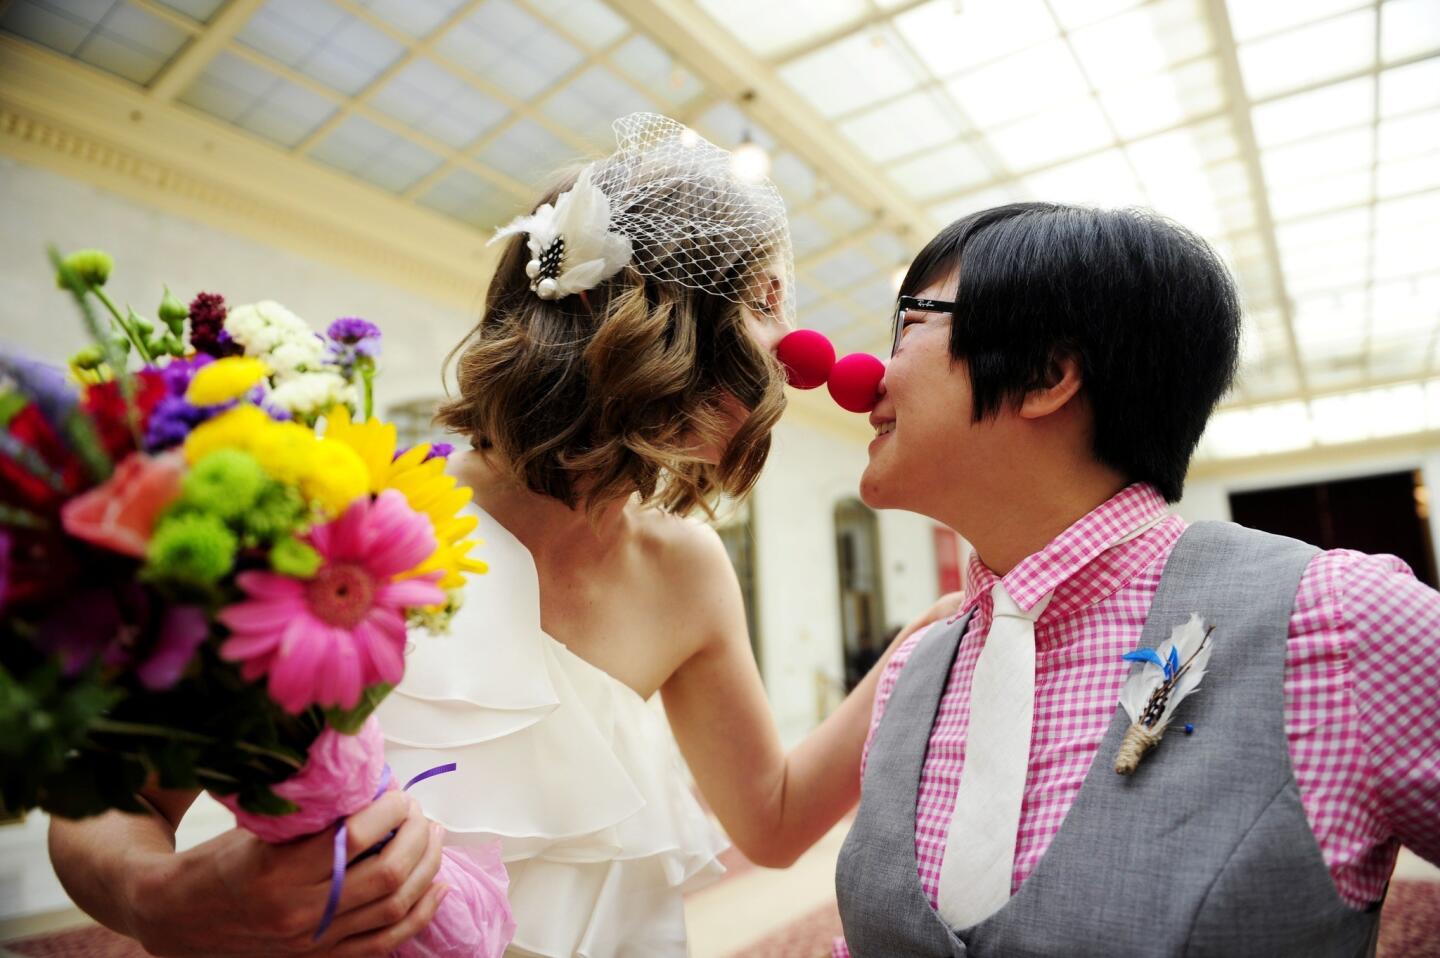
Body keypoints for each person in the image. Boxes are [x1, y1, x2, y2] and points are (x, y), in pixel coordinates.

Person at [48, 114, 954, 957]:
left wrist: (941, 629)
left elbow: (775, 816)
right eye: (761, 305)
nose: (788, 352)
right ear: (660, 336)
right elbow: (112, 798)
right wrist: (158, 898)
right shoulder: (352, 520)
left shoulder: (685, 567)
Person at [834, 203, 1440, 957]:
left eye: (910, 325)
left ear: (1046, 373)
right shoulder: (911, 672)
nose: (865, 375)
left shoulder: (1337, 621)